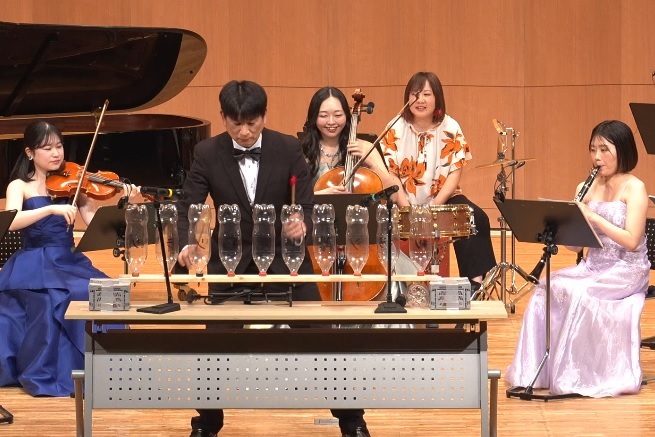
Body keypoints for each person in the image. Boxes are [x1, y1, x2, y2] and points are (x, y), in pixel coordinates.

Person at [176, 80, 370, 437]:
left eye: (252, 123)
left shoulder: (288, 147)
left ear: (264, 116)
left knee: (323, 339)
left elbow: (308, 202)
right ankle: (207, 423)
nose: (244, 131)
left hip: (286, 261)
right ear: (223, 117)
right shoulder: (207, 152)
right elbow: (188, 204)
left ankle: (352, 420)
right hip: (231, 264)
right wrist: (187, 243)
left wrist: (303, 222)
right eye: (236, 123)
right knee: (213, 346)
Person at [505, 120, 650, 397]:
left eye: (604, 150)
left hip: (627, 268)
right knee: (547, 286)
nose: (597, 157)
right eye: (593, 149)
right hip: (593, 265)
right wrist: (564, 225)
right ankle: (538, 371)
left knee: (582, 292)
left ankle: (580, 375)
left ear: (622, 150)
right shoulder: (586, 185)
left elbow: (632, 241)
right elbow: (576, 247)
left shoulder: (635, 187)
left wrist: (593, 217)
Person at [0, 120, 138, 397]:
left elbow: (95, 224)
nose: (56, 153)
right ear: (29, 153)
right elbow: (12, 221)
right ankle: (60, 372)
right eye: (47, 148)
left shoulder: (75, 184)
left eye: (59, 146)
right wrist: (49, 210)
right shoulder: (20, 185)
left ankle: (109, 369)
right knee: (56, 297)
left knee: (107, 291)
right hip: (35, 261)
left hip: (68, 260)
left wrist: (128, 203)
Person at [379, 71, 497, 288]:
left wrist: (433, 207)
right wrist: (408, 209)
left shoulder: (450, 126)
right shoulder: (394, 127)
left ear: (437, 98)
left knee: (476, 218)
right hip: (402, 199)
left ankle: (474, 286)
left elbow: (454, 173)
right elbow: (390, 174)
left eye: (426, 94)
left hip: (442, 199)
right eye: (415, 94)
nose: (420, 100)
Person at [300, 86, 404, 197]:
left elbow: (393, 197)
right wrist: (320, 194)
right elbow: (291, 199)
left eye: (338, 115)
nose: (331, 122)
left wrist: (372, 164)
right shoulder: (301, 151)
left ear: (346, 115)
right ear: (314, 117)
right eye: (323, 115)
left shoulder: (365, 148)